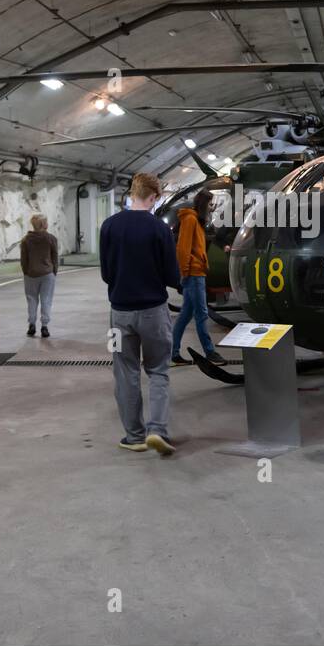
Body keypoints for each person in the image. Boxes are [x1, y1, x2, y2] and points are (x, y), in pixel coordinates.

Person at [99, 173, 182, 456]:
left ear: (132, 193)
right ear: (154, 196)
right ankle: (157, 430)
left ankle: (133, 436)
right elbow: (172, 275)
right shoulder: (159, 229)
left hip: (120, 314)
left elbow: (106, 274)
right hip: (154, 312)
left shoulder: (109, 226)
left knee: (125, 372)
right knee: (158, 370)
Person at [171, 189, 229, 367]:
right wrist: (185, 273)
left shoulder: (196, 220)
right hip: (194, 275)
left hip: (197, 273)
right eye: (211, 204)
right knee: (202, 314)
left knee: (185, 315)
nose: (212, 208)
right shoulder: (189, 220)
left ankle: (173, 353)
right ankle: (210, 352)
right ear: (204, 203)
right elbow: (183, 248)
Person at [20, 214, 58, 337]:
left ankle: (31, 325)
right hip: (47, 274)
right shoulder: (51, 238)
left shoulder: (26, 240)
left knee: (31, 299)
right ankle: (44, 326)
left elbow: (23, 260)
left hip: (31, 274)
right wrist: (54, 271)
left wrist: (26, 272)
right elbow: (55, 257)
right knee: (46, 300)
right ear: (43, 224)